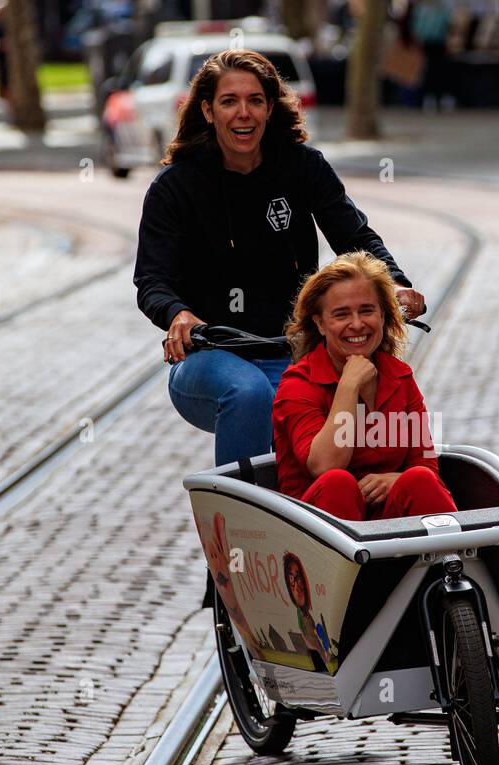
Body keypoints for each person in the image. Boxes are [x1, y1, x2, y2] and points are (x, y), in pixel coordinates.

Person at [134, 49, 424, 467]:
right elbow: (152, 281)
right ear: (208, 110)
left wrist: (395, 282)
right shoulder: (175, 187)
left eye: (254, 100)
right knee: (252, 393)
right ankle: (241, 520)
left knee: (352, 390)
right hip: (211, 355)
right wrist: (177, 315)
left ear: (270, 108)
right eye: (229, 101)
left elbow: (355, 237)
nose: (243, 113)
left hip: (293, 347)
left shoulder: (302, 167)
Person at [272, 251, 457, 522]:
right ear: (320, 323)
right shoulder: (298, 385)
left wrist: (397, 480)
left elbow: (425, 464)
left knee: (418, 479)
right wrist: (348, 385)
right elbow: (325, 466)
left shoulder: (400, 377)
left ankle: (454, 560)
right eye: (341, 314)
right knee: (339, 482)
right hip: (315, 535)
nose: (357, 324)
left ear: (383, 316)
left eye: (367, 310)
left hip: (388, 532)